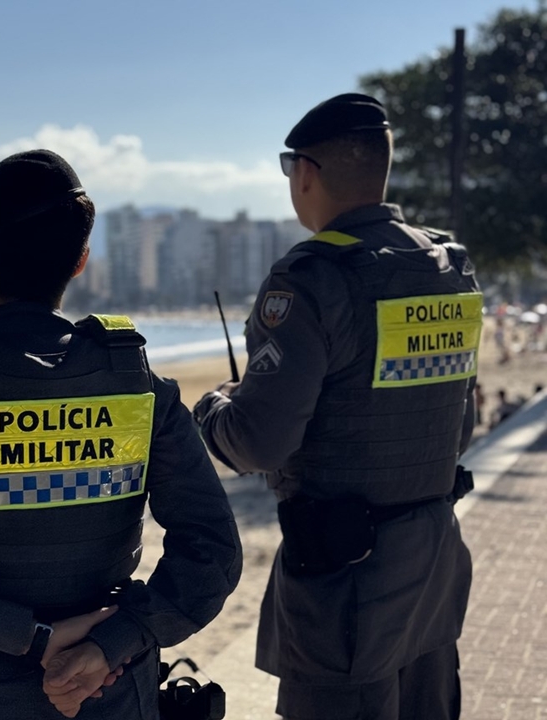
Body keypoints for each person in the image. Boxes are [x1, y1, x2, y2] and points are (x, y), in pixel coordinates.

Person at [0, 149, 242, 720]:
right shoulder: (141, 389)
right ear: (80, 262)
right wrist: (115, 642)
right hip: (113, 691)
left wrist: (32, 638)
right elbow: (213, 554)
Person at [193, 94, 482, 720]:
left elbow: (259, 442)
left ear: (306, 173)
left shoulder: (311, 279)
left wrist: (211, 409)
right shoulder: (448, 266)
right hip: (432, 569)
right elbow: (461, 422)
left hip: (346, 589)